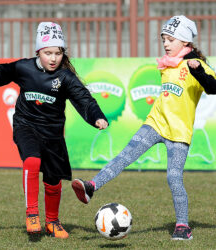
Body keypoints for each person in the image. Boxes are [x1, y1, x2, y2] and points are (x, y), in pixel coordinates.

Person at [0, 22, 108, 239]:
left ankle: (53, 222)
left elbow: (83, 99)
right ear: (38, 51)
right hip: (25, 126)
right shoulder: (24, 68)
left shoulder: (65, 77)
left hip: (53, 134)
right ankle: (32, 214)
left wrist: (97, 116)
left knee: (53, 179)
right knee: (32, 160)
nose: (53, 58)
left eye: (58, 53)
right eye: (48, 53)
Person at [72, 15, 216, 241]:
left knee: (174, 177)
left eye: (170, 39)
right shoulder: (167, 64)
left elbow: (213, 87)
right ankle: (91, 186)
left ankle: (182, 225)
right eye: (163, 40)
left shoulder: (196, 64)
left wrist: (198, 70)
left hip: (178, 133)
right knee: (125, 156)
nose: (166, 44)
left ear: (185, 41)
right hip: (154, 123)